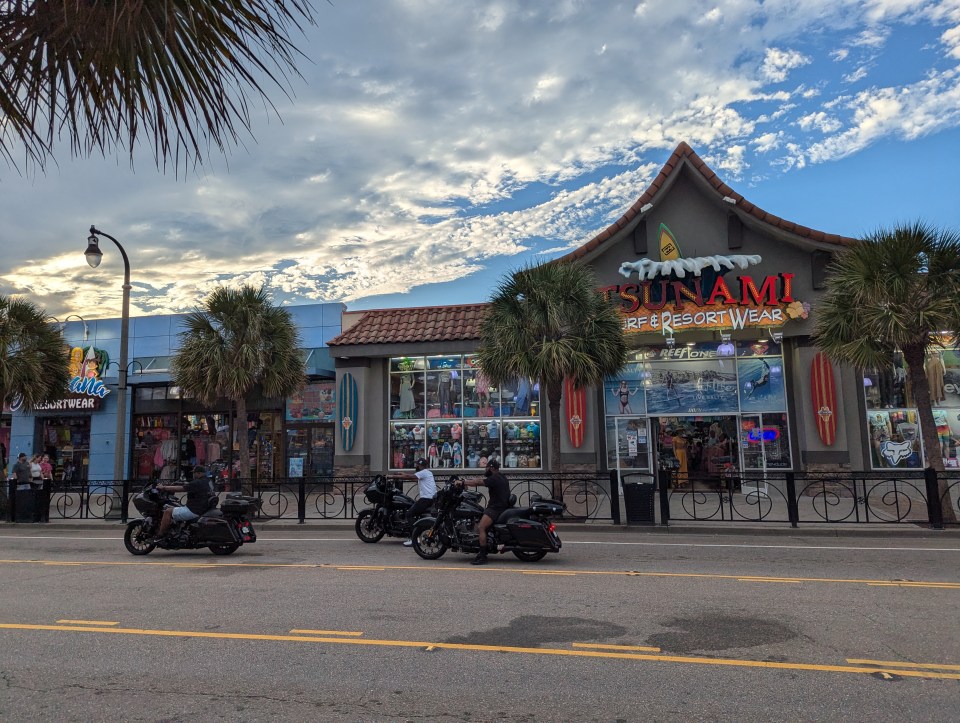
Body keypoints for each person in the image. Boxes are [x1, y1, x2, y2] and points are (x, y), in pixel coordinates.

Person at [461, 459, 511, 565]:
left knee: (481, 527)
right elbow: (480, 479)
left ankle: (482, 556)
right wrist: (468, 479)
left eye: (487, 467)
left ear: (491, 468)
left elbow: (479, 482)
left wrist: (463, 482)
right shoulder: (501, 476)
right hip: (501, 507)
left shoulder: (494, 478)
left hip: (495, 509)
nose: (485, 469)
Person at [151, 465, 216, 543]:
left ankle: (160, 536)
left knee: (168, 511)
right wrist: (184, 483)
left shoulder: (197, 483)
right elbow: (192, 486)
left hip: (193, 510)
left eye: (194, 473)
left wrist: (164, 487)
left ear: (199, 473)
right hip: (204, 508)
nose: (193, 475)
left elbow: (181, 489)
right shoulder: (208, 481)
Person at [393, 458, 437, 547]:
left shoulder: (423, 472)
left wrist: (392, 477)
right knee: (414, 509)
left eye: (417, 465)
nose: (416, 466)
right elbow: (413, 477)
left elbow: (410, 477)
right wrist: (402, 474)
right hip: (431, 499)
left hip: (426, 499)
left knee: (409, 514)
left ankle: (415, 537)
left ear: (420, 466)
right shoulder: (428, 473)